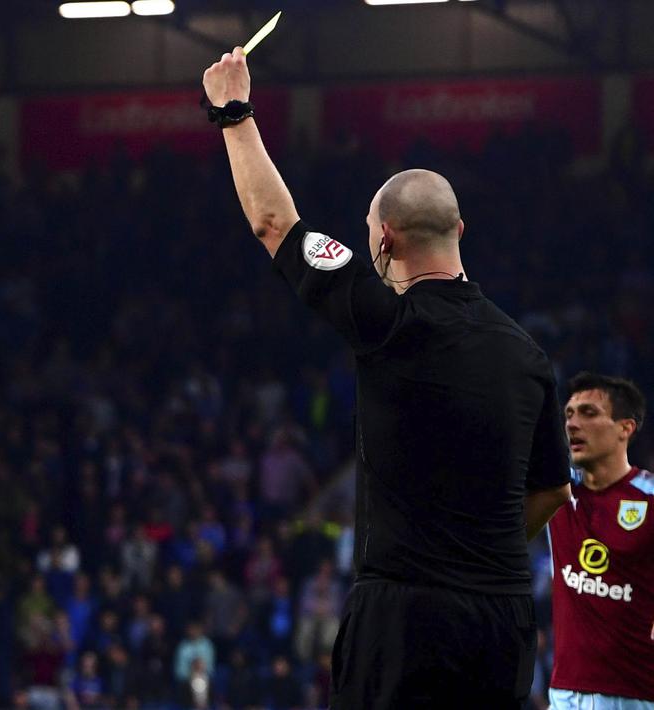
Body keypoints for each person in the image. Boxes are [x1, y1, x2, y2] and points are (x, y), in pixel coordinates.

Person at [201, 49, 571, 707]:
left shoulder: (384, 318)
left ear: (383, 242)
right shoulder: (527, 356)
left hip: (403, 618)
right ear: (458, 228)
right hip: (501, 617)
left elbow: (274, 224)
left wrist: (233, 112)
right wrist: (477, 546)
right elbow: (549, 490)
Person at [548, 373, 653, 708]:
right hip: (563, 694)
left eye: (589, 413)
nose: (573, 424)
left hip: (633, 697)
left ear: (625, 428)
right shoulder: (557, 491)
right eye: (568, 414)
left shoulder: (650, 499)